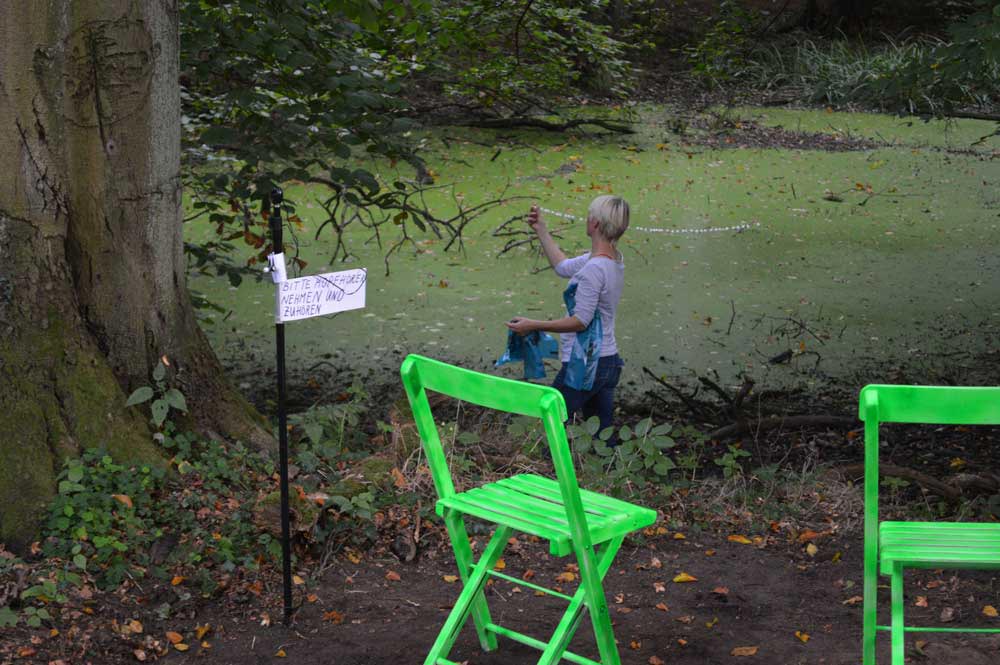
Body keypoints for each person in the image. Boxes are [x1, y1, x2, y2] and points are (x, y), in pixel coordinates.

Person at [507, 195, 629, 437]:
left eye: (589, 215)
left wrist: (533, 325)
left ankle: (546, 461)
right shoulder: (609, 259)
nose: (586, 219)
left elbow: (580, 321)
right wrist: (541, 230)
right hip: (608, 361)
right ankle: (609, 462)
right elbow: (562, 267)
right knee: (602, 435)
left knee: (551, 418)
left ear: (595, 223)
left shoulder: (594, 269)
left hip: (587, 364)